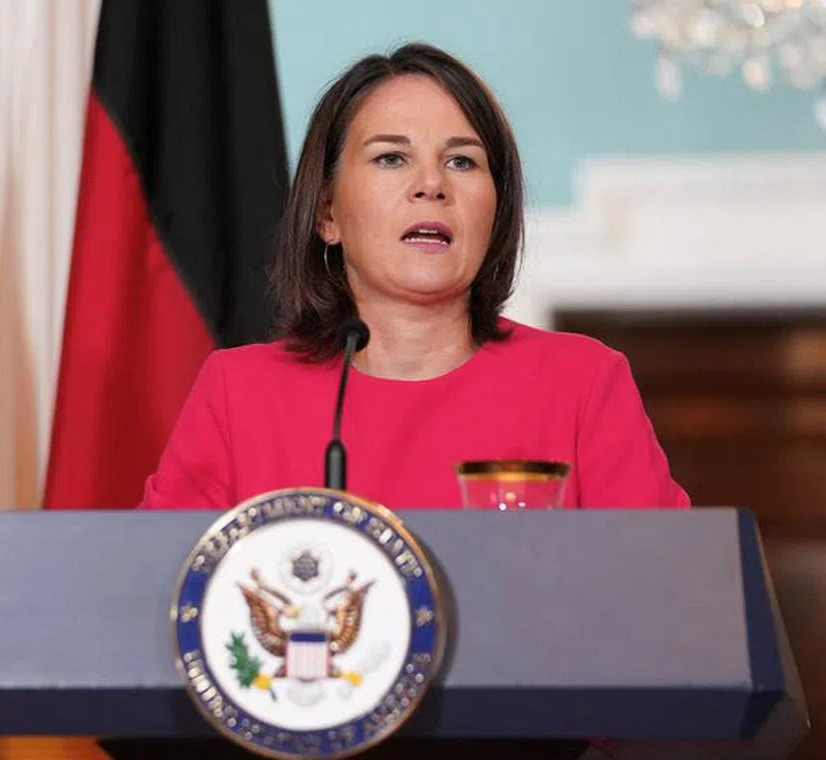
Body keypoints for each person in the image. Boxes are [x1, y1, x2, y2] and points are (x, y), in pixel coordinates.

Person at [139, 42, 689, 511]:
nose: (431, 185)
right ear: (327, 213)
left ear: (495, 211)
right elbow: (153, 592)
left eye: (462, 162)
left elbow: (672, 592)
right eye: (390, 159)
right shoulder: (240, 394)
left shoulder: (581, 383)